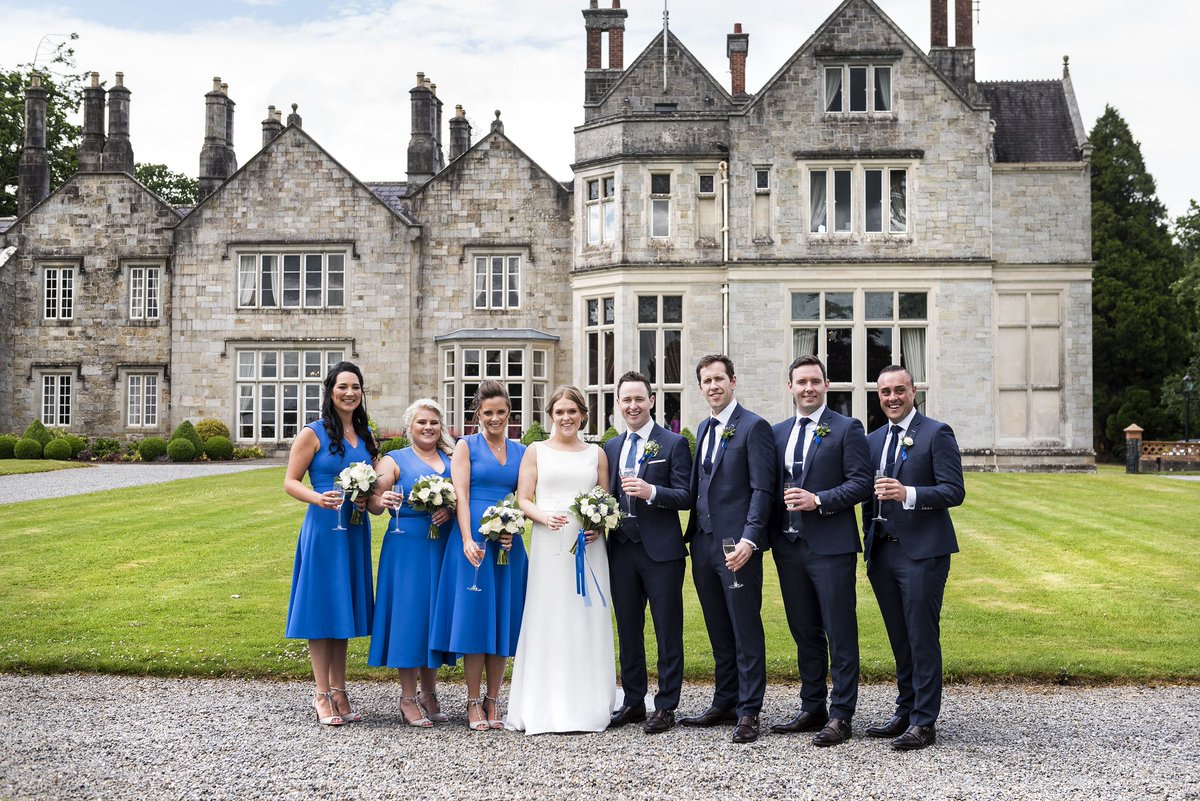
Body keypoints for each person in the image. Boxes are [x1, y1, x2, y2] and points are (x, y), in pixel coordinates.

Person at [769, 355, 871, 746]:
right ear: (790, 387)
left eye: (815, 381)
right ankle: (813, 707)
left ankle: (842, 714)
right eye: (801, 382)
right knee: (804, 631)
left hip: (831, 547)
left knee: (839, 630)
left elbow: (862, 483)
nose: (808, 388)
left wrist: (819, 499)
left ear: (826, 385)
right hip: (789, 546)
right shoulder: (777, 433)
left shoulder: (847, 428)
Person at [861, 365, 965, 751]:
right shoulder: (872, 441)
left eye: (899, 390)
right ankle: (905, 710)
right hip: (883, 552)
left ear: (914, 391)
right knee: (898, 636)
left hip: (923, 552)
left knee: (921, 635)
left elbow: (954, 491)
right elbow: (864, 495)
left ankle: (924, 721)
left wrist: (909, 494)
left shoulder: (936, 434)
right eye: (885, 391)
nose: (892, 397)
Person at [506, 385, 618, 734]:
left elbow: (605, 499)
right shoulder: (535, 451)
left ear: (583, 415)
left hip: (588, 546)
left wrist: (599, 526)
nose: (566, 417)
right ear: (551, 416)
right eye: (560, 412)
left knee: (586, 617)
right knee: (549, 616)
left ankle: (590, 703)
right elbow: (523, 498)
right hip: (549, 542)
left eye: (572, 411)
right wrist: (543, 516)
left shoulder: (596, 454)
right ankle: (545, 703)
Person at [679, 354, 775, 744]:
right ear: (700, 387)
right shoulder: (703, 427)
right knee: (718, 626)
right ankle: (725, 700)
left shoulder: (754, 427)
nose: (714, 386)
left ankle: (749, 710)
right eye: (707, 381)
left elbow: (762, 490)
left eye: (720, 379)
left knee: (744, 627)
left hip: (737, 546)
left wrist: (751, 540)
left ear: (733, 381)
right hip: (702, 544)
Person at [430, 380, 528, 731]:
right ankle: (473, 701)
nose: (495, 418)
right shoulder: (465, 446)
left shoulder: (521, 450)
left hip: (507, 542)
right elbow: (461, 495)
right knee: (475, 620)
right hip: (473, 540)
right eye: (488, 413)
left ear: (509, 413)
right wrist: (467, 539)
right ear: (478, 414)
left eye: (501, 412)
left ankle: (493, 699)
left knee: (500, 619)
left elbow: (526, 496)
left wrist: (513, 530)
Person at [283, 361, 377, 726]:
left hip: (354, 528)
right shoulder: (314, 432)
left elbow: (371, 486)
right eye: (342, 387)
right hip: (324, 528)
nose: (349, 393)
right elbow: (290, 481)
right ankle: (321, 692)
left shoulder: (366, 434)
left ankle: (340, 688)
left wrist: (372, 502)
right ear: (330, 391)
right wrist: (316, 498)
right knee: (323, 609)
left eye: (355, 386)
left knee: (344, 608)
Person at [604, 371, 693, 735]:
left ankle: (666, 704)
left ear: (651, 401)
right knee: (628, 628)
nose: (633, 406)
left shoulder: (673, 443)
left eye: (639, 399)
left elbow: (687, 495)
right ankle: (633, 701)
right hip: (621, 549)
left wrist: (651, 491)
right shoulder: (610, 447)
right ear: (619, 404)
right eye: (626, 400)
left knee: (667, 628)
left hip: (661, 552)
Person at [367, 399, 457, 727]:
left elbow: (463, 495)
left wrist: (451, 508)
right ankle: (407, 696)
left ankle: (429, 693)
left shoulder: (450, 458)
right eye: (421, 422)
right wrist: (382, 499)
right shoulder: (394, 460)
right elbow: (373, 503)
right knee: (409, 617)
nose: (428, 427)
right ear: (410, 427)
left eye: (434, 422)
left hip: (441, 544)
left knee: (434, 616)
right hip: (406, 547)